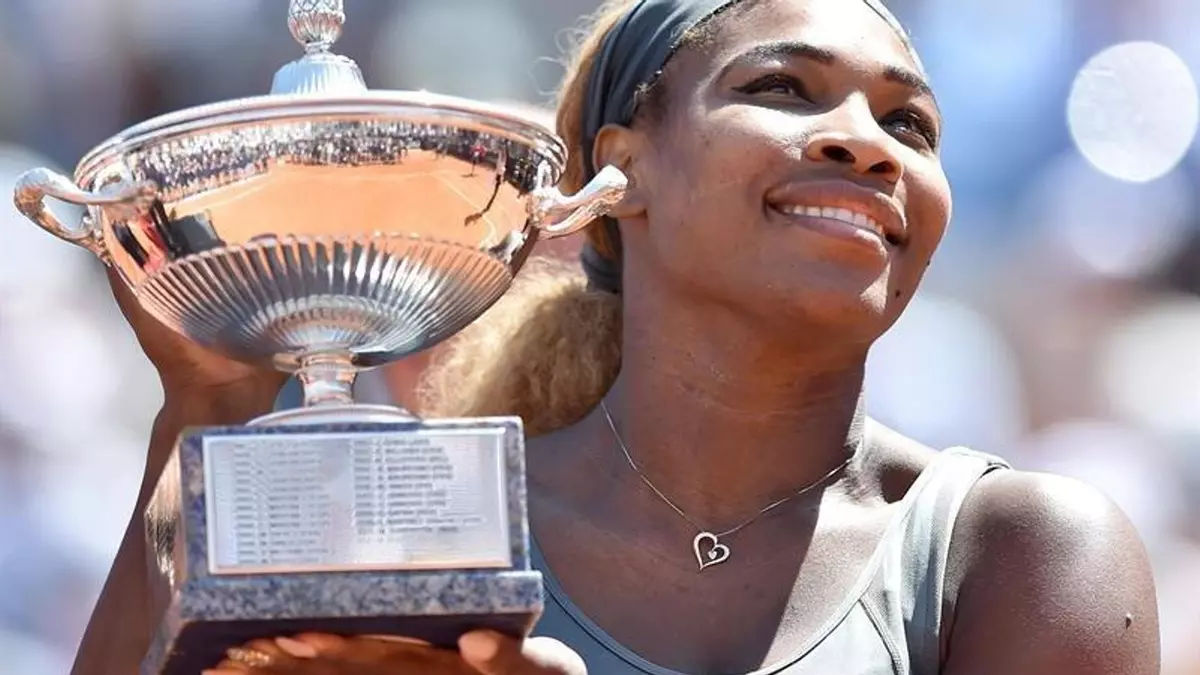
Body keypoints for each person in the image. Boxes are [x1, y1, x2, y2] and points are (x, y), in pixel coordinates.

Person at [73, 0, 1160, 674]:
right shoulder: (422, 524)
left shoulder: (1021, 550)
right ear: (619, 170)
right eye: (784, 88)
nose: (866, 145)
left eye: (908, 123)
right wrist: (207, 405)